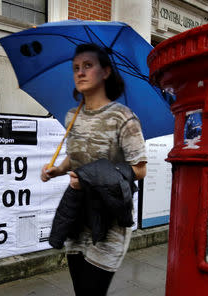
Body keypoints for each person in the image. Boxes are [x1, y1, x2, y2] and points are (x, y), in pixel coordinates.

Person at [40, 43, 147, 296]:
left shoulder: (123, 117)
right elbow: (74, 157)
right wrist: (57, 170)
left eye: (88, 66)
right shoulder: (71, 116)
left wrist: (90, 178)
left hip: (110, 219)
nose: (80, 72)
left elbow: (140, 169)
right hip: (78, 214)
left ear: (106, 72)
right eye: (76, 68)